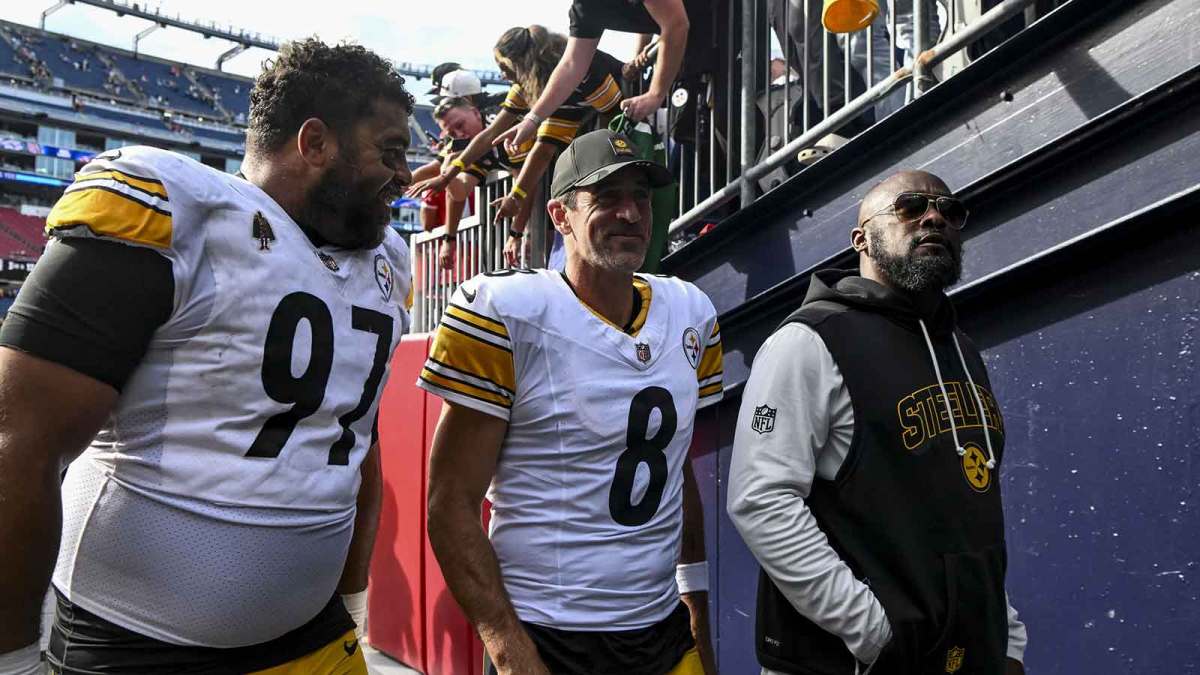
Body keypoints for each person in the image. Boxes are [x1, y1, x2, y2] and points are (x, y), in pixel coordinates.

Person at [0, 39, 414, 675]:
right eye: (389, 152)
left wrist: (353, 602)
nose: (405, 174)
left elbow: (357, 447)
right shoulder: (174, 208)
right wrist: (13, 660)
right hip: (135, 649)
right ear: (314, 144)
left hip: (316, 639)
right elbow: (18, 438)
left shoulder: (386, 262)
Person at [421, 129, 723, 675]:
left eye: (640, 197)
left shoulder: (690, 310)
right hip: (548, 636)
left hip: (662, 631)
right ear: (561, 217)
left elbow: (676, 475)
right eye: (606, 198)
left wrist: (696, 602)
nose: (631, 213)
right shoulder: (509, 310)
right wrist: (510, 652)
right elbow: (449, 503)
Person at [727, 170, 1028, 675]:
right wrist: (874, 634)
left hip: (966, 657)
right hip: (850, 663)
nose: (934, 216)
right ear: (860, 238)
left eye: (949, 211)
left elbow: (972, 506)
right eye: (910, 207)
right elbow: (761, 500)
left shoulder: (962, 350)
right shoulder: (809, 340)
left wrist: (1007, 639)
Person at [410, 25, 624, 269]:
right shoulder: (527, 89)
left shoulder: (584, 72)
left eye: (504, 67)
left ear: (523, 63)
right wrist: (449, 175)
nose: (501, 76)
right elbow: (509, 142)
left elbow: (614, 117)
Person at [495, 0, 695, 155]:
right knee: (691, 144)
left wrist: (655, 94)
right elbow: (572, 64)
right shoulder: (585, 7)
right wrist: (532, 120)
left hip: (721, 37)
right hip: (693, 60)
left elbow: (676, 24)